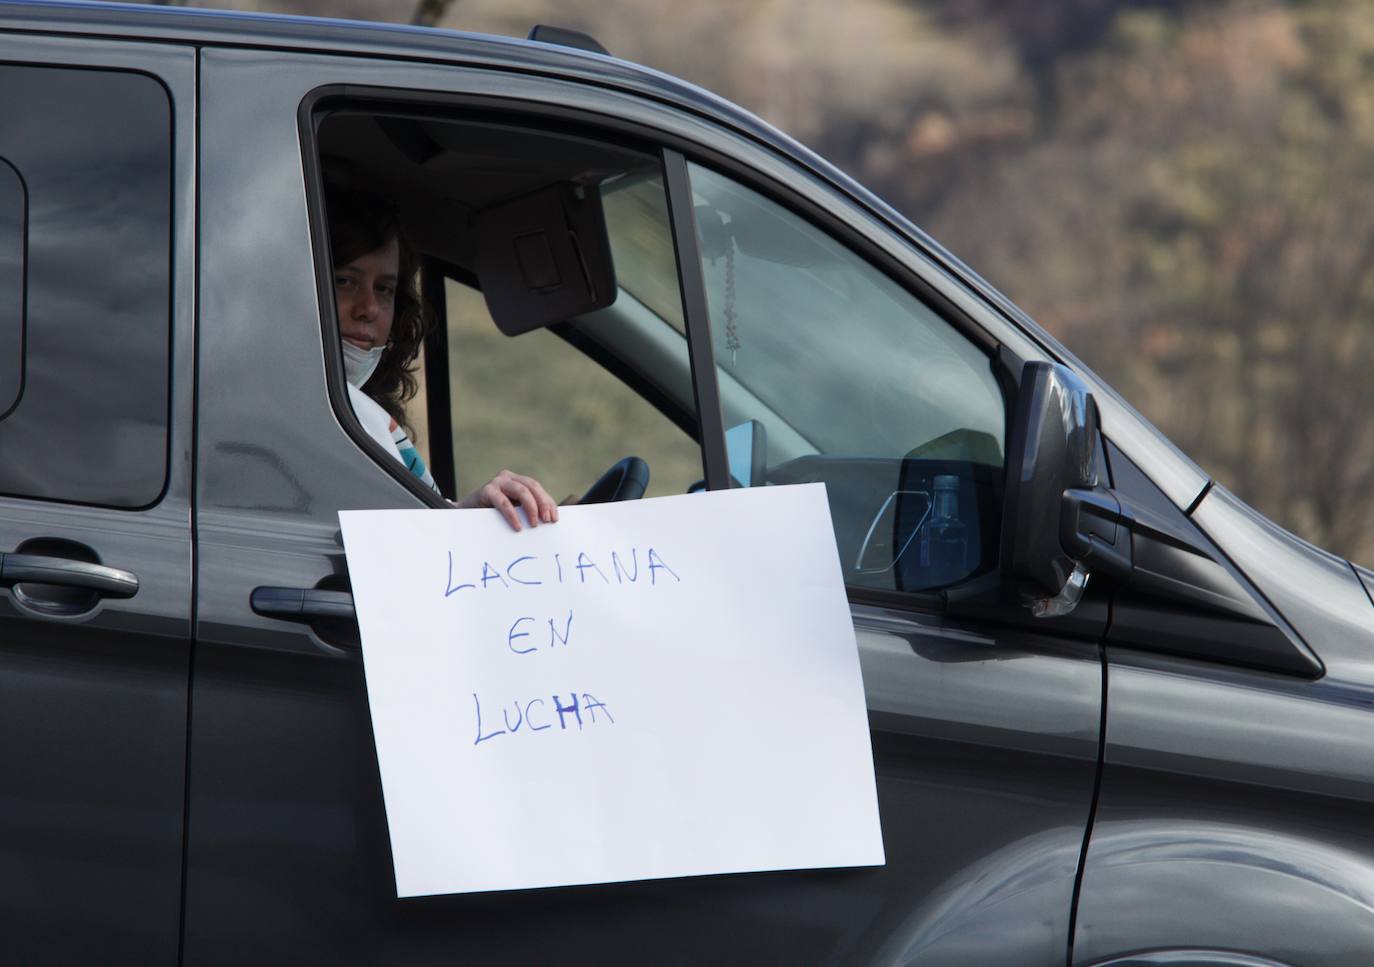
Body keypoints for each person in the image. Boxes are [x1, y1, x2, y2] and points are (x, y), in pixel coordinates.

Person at [327, 187, 560, 531]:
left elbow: (401, 528)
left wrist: (467, 512)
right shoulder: (303, 415)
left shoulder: (355, 414)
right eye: (345, 281)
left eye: (384, 289)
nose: (369, 309)